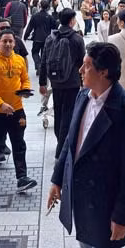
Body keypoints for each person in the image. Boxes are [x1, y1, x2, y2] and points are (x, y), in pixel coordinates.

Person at [48, 42, 125, 248]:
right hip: (81, 200)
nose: (80, 71)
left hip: (107, 205)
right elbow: (70, 142)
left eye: (86, 66)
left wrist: (123, 216)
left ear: (104, 72)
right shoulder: (83, 96)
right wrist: (57, 180)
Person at [0, 30, 37, 191]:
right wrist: (0, 104)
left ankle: (22, 177)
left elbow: (25, 78)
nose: (7, 44)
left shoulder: (20, 59)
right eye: (4, 41)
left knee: (19, 143)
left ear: (14, 43)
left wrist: (25, 90)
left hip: (17, 109)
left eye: (10, 41)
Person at [40, 9, 86, 159]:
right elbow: (82, 63)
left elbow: (44, 60)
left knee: (59, 112)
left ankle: (61, 142)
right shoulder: (77, 39)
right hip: (72, 81)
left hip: (56, 82)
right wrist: (83, 81)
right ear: (72, 20)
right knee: (69, 113)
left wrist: (42, 82)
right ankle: (62, 148)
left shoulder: (50, 38)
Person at [25, 0, 57, 74]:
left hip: (37, 37)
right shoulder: (49, 17)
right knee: (44, 53)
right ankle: (42, 68)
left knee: (35, 52)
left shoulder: (35, 16)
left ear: (40, 6)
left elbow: (30, 27)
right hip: (47, 38)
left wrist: (26, 36)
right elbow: (54, 26)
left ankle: (38, 64)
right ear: (48, 7)